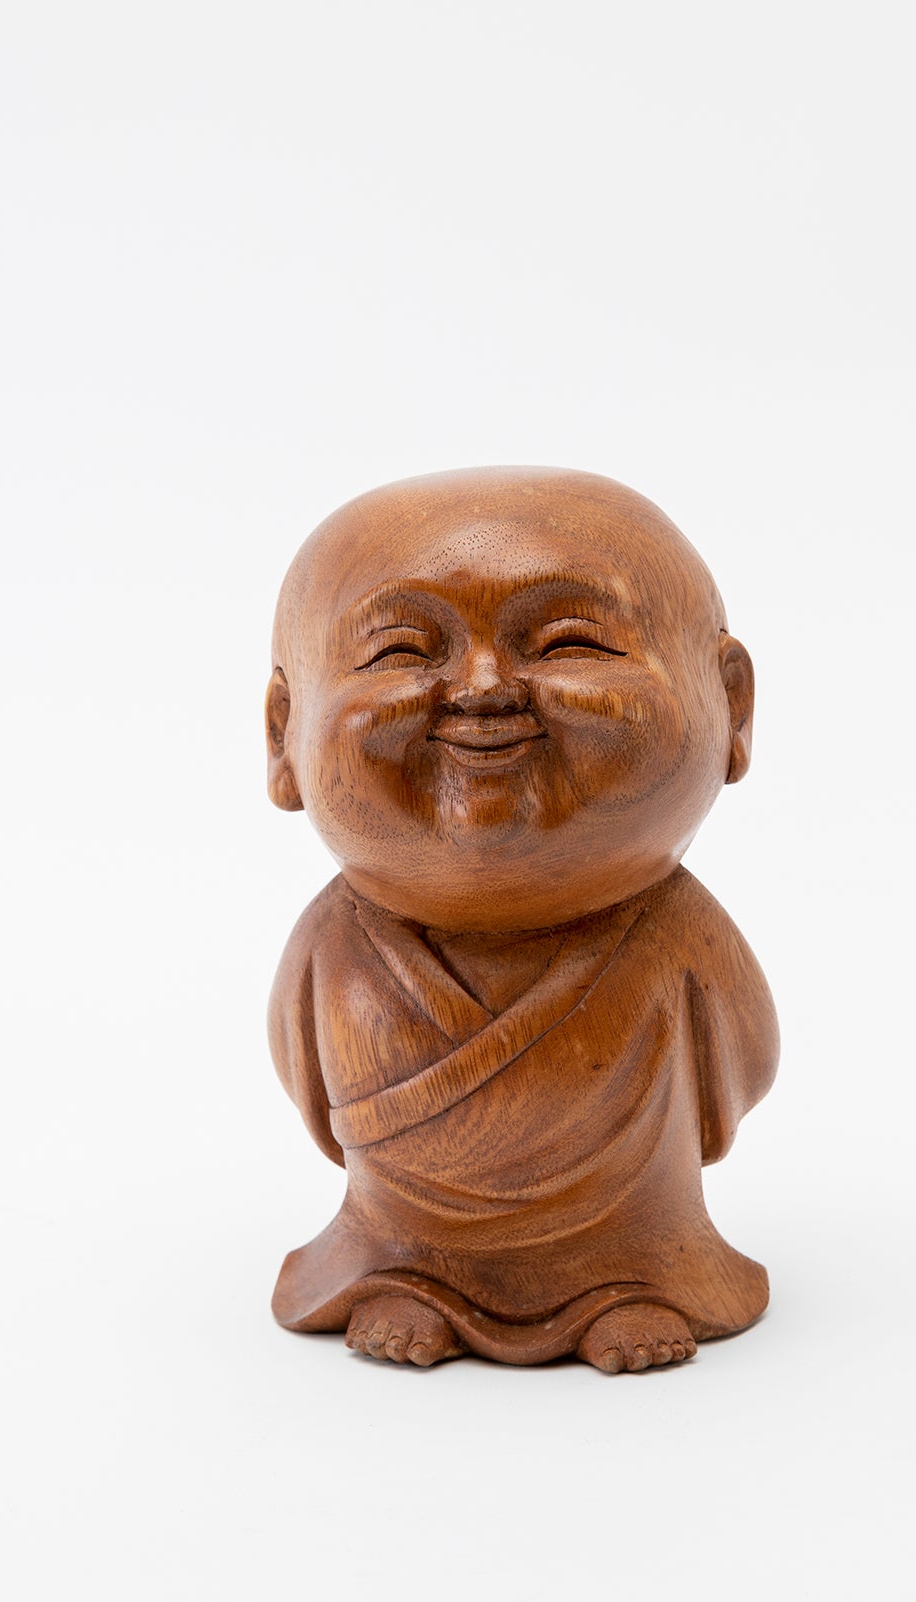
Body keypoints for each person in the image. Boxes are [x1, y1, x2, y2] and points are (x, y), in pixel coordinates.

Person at [264, 466, 778, 1371]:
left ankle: (625, 1286)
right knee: (401, 1252)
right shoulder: (335, 946)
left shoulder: (675, 936)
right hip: (396, 1228)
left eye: (567, 642)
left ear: (728, 704)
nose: (483, 689)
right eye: (402, 651)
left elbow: (741, 1064)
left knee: (631, 1263)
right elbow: (304, 1075)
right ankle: (411, 1278)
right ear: (283, 733)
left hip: (634, 1228)